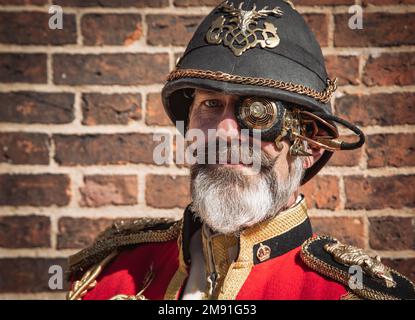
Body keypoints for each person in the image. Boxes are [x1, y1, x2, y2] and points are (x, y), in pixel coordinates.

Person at [66, 0, 415, 300]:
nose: (225, 132)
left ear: (309, 143)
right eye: (210, 104)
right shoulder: (115, 272)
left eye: (258, 112)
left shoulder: (345, 291)